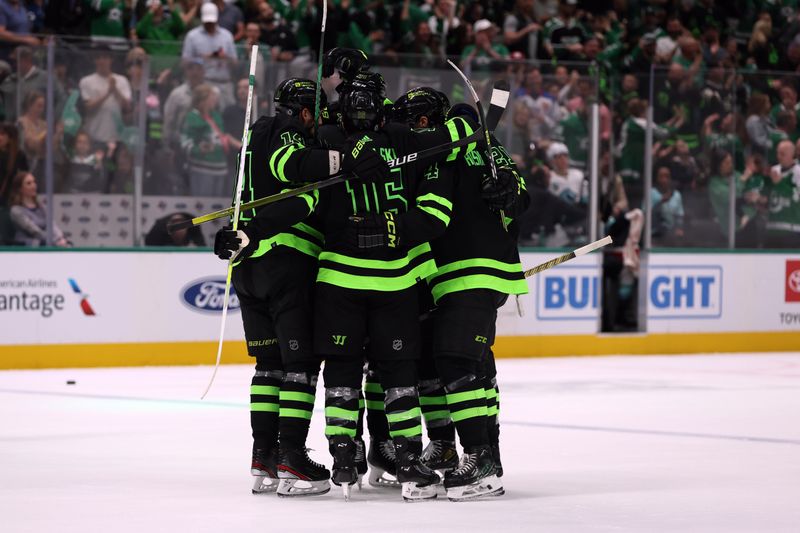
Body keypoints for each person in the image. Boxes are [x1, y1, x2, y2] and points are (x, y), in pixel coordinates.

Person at [211, 77, 390, 497]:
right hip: (285, 261)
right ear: (305, 112)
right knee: (301, 366)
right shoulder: (285, 130)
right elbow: (291, 168)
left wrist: (245, 233)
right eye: (316, 119)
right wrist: (343, 161)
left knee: (267, 366)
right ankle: (291, 456)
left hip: (249, 266)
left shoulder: (251, 138)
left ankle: (264, 456)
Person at [385, 87, 529, 501]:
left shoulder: (459, 137)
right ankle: (481, 456)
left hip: (473, 267)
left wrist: (509, 192)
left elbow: (520, 194)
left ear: (427, 121)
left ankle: (479, 458)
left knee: (455, 357)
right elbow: (522, 193)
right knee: (467, 364)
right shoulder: (478, 141)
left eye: (412, 122)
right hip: (456, 272)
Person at [180, 83, 239, 197]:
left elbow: (223, 135)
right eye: (211, 98)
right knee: (202, 203)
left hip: (221, 167)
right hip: (202, 168)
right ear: (202, 100)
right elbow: (186, 142)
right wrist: (199, 149)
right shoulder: (192, 117)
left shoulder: (216, 115)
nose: (215, 101)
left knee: (217, 206)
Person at [181, 2, 237, 108]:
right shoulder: (192, 36)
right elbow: (184, 62)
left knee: (228, 114)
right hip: (203, 83)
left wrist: (224, 58)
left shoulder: (227, 36)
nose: (210, 24)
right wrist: (203, 58)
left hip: (224, 83)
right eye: (207, 22)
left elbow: (235, 63)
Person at [78, 46, 132, 149]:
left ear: (111, 60)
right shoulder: (86, 81)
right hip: (94, 136)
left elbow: (127, 107)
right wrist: (107, 93)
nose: (102, 61)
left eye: (105, 58)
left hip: (117, 136)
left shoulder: (122, 80)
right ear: (94, 60)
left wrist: (115, 89)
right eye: (98, 58)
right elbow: (88, 107)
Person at [8, 171, 68, 246]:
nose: (34, 185)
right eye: (29, 183)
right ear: (20, 189)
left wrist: (60, 238)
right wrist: (55, 242)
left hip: (47, 243)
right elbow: (34, 231)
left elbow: (52, 225)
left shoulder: (42, 207)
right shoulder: (16, 210)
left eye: (34, 182)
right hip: (27, 246)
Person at [765, 139, 800, 248]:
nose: (778, 156)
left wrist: (780, 184)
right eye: (777, 153)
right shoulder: (774, 170)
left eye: (782, 154)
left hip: (791, 230)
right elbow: (770, 195)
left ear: (791, 155)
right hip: (771, 229)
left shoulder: (798, 172)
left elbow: (796, 196)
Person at [15, 90, 45, 177]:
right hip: (26, 165)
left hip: (43, 165)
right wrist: (45, 136)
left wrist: (57, 134)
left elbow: (50, 148)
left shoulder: (44, 124)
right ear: (29, 105)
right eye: (39, 106)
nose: (41, 109)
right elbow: (31, 144)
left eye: (43, 106)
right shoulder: (21, 123)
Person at [0, 121, 26, 205]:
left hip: (10, 200)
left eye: (2, 134)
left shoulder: (19, 155)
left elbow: (24, 177)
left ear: (11, 138)